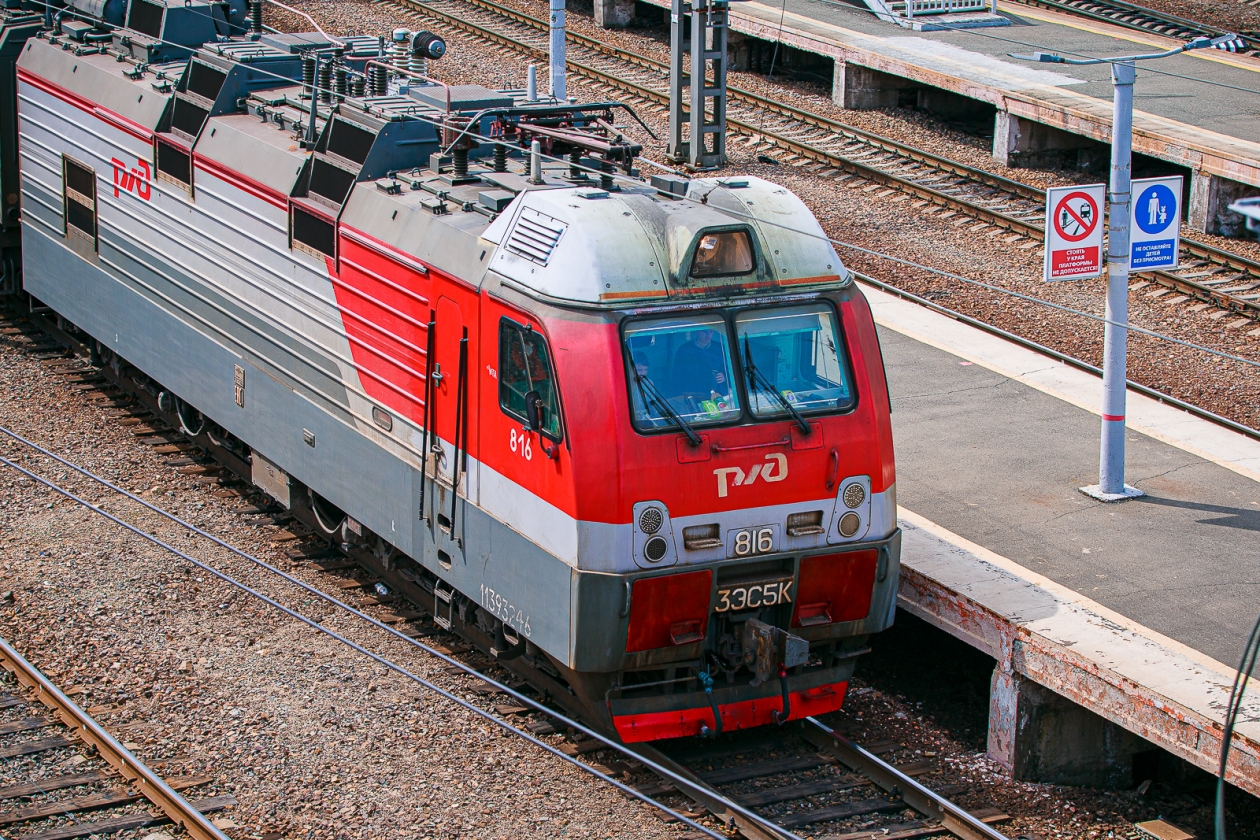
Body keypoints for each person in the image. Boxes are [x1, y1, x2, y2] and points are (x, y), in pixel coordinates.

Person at [672, 328, 729, 401]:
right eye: (704, 332)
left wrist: (724, 377)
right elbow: (677, 375)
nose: (708, 335)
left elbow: (731, 370)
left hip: (717, 395)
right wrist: (682, 395)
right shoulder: (684, 350)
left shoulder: (720, 348)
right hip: (693, 395)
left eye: (711, 331)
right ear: (696, 332)